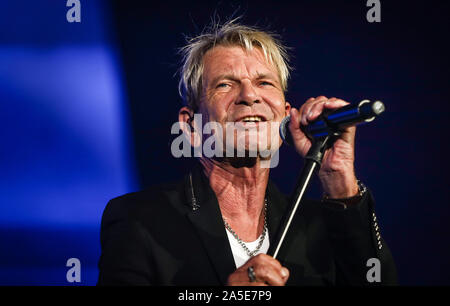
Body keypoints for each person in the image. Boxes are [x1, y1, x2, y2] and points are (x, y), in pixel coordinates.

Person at [97, 19, 397, 286]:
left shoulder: (316, 225)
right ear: (191, 126)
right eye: (225, 84)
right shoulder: (141, 220)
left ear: (286, 116)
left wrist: (339, 178)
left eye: (264, 82)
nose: (250, 96)